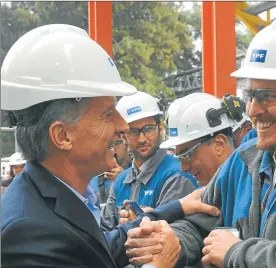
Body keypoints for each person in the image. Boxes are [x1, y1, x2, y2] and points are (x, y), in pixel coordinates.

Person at [125, 18, 276, 268]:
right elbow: (199, 223)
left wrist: (237, 253)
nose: (252, 110)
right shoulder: (244, 161)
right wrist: (173, 243)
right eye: (250, 95)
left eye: (267, 97)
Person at [1, 24, 221, 268]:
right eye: (107, 114)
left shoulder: (48, 204)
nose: (123, 126)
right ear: (62, 135)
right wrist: (157, 265)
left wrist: (178, 206)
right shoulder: (28, 233)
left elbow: (99, 247)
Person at [101, 91, 198, 231]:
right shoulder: (121, 181)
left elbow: (172, 237)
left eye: (148, 129)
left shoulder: (177, 176)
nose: (142, 139)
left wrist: (137, 225)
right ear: (123, 137)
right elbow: (105, 232)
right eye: (133, 131)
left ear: (160, 129)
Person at [160, 93, 236, 186]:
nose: (184, 168)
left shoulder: (249, 191)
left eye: (187, 155)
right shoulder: (221, 193)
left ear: (219, 144)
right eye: (180, 158)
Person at [89, 135, 132, 205]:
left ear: (127, 143)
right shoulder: (92, 179)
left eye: (116, 143)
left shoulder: (140, 172)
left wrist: (123, 178)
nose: (112, 149)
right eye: (109, 145)